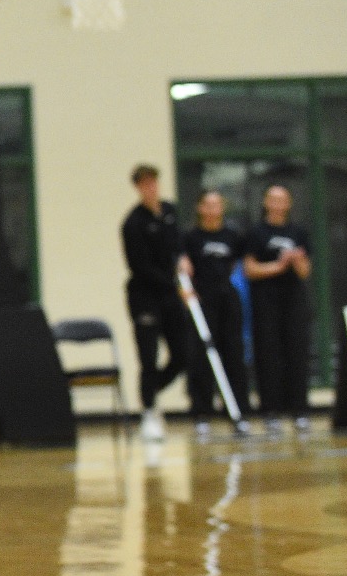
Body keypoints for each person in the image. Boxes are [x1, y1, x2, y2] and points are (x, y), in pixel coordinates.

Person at [120, 164, 190, 440]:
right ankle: (149, 411)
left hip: (171, 296)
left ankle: (148, 393)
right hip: (145, 297)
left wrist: (183, 260)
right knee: (148, 356)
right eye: (145, 184)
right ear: (138, 187)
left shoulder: (170, 212)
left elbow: (177, 246)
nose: (151, 188)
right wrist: (174, 285)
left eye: (154, 183)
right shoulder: (132, 224)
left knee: (182, 355)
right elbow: (141, 266)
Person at [245, 184, 312, 431]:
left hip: (293, 299)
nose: (277, 203)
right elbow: (249, 269)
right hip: (266, 300)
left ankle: (300, 410)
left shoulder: (299, 232)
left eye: (282, 199)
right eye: (272, 199)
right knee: (268, 354)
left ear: (289, 203)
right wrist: (278, 265)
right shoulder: (256, 233)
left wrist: (297, 261)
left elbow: (305, 272)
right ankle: (270, 411)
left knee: (297, 353)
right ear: (265, 202)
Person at [181, 191, 250, 430]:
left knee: (233, 352)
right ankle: (201, 412)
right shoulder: (190, 238)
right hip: (201, 301)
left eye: (216, 205)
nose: (212, 209)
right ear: (200, 208)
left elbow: (237, 265)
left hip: (227, 300)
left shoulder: (232, 236)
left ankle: (237, 410)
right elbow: (181, 267)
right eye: (207, 205)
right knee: (201, 356)